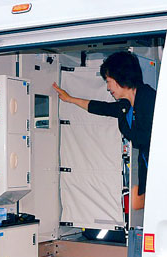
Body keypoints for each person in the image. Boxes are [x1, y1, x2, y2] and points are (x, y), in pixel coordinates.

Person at [52, 51, 156, 210]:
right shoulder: (126, 105)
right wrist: (70, 99)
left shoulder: (149, 99)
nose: (108, 88)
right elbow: (100, 107)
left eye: (108, 81)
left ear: (121, 77)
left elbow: (145, 139)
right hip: (148, 169)